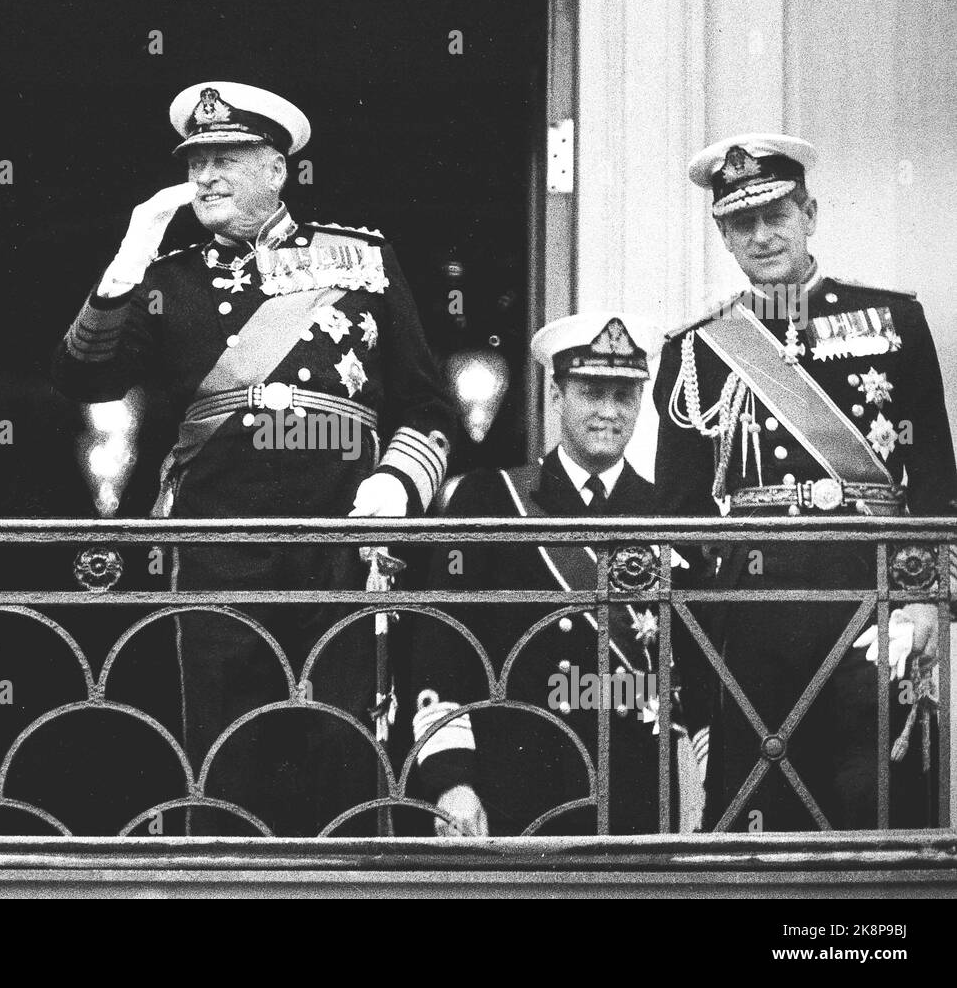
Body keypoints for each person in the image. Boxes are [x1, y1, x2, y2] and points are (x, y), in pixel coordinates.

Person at [51, 82, 455, 834]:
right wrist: (127, 259)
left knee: (342, 768)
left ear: (277, 168)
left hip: (337, 549)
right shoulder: (168, 279)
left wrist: (399, 478)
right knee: (225, 774)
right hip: (216, 555)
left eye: (225, 158)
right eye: (196, 160)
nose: (204, 175)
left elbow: (428, 406)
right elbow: (82, 375)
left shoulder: (361, 258)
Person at [654, 133, 956, 831]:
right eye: (741, 223)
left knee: (873, 815)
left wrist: (925, 606)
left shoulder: (893, 323)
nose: (761, 236)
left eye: (776, 215)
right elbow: (679, 521)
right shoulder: (697, 349)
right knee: (762, 828)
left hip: (872, 610)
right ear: (723, 235)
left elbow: (937, 481)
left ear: (810, 213)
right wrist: (702, 670)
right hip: (752, 619)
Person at [411, 312, 707, 835]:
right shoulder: (492, 500)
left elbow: (701, 666)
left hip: (636, 793)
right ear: (557, 395)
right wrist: (451, 780)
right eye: (592, 392)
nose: (609, 412)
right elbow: (441, 646)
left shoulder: (666, 513)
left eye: (624, 397)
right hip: (515, 784)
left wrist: (708, 775)